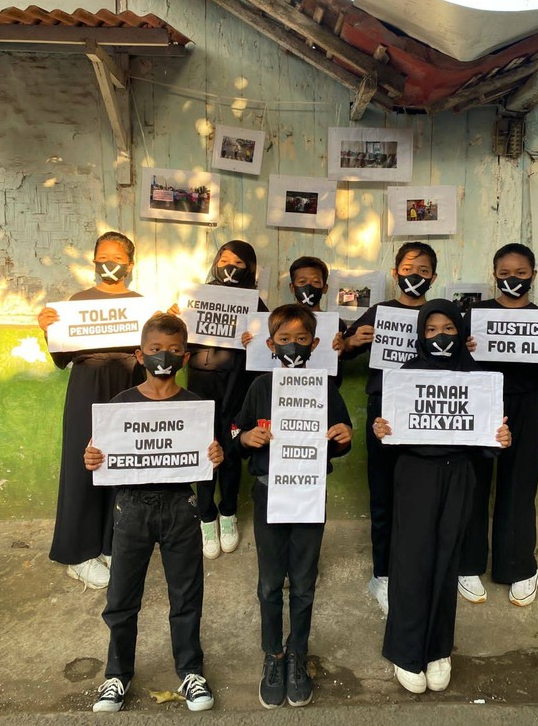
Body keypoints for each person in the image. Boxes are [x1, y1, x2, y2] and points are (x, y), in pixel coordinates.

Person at [84, 313, 223, 713]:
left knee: (186, 595)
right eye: (156, 349)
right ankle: (116, 674)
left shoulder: (195, 405)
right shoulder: (120, 405)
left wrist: (215, 455)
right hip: (131, 508)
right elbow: (100, 453)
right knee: (122, 597)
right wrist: (93, 457)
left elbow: (208, 455)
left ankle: (191, 671)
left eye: (175, 350)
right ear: (139, 354)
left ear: (186, 355)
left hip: (182, 506)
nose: (165, 356)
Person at [373, 299, 511, 694]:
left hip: (459, 475)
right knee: (412, 559)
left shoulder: (477, 377)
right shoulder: (405, 374)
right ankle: (405, 649)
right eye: (431, 330)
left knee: (446, 558)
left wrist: (500, 439)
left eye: (449, 329)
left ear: (460, 333)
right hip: (415, 474)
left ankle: (438, 650)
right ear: (420, 334)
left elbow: (486, 438)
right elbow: (386, 435)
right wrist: (381, 430)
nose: (440, 337)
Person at [235, 305, 352, 709]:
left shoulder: (326, 388)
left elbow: (344, 435)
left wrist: (342, 434)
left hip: (308, 494)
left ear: (315, 344)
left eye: (302, 340)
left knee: (303, 583)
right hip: (269, 492)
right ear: (270, 345)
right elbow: (236, 427)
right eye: (284, 340)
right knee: (270, 583)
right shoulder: (260, 388)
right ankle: (274, 654)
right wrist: (245, 437)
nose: (293, 347)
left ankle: (297, 652)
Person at [458, 243, 538, 607]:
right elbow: (454, 364)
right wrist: (466, 347)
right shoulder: (474, 316)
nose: (512, 280)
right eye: (505, 273)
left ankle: (518, 566)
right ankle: (468, 562)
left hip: (523, 403)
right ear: (494, 275)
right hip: (477, 403)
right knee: (473, 484)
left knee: (519, 486)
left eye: (521, 274)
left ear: (533, 276)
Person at [38, 231, 143, 590]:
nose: (108, 264)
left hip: (130, 386)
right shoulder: (77, 302)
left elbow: (155, 351)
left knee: (122, 465)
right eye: (102, 257)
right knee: (83, 465)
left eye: (116, 257)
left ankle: (112, 543)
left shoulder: (142, 304)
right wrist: (48, 330)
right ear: (94, 261)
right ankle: (79, 554)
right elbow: (62, 359)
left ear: (130, 264)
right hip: (87, 386)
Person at [342, 241, 438, 613]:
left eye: (424, 269)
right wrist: (352, 340)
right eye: (409, 266)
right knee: (382, 494)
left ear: (434, 277)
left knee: (418, 498)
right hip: (384, 412)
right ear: (396, 271)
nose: (416, 274)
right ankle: (382, 574)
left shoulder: (437, 314)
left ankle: (414, 570)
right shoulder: (380, 311)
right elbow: (342, 349)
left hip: (426, 414)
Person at [171, 240, 267, 560]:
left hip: (235, 392)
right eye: (224, 260)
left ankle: (228, 513)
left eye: (239, 264)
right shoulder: (196, 298)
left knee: (227, 452)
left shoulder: (256, 304)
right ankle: (206, 516)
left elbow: (269, 348)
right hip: (198, 389)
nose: (229, 267)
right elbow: (175, 342)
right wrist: (176, 319)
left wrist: (252, 342)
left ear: (250, 270)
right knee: (202, 452)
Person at [289, 255, 345, 386]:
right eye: (302, 282)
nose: (308, 287)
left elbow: (335, 363)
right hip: (285, 388)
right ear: (292, 287)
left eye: (315, 282)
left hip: (321, 389)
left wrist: (341, 350)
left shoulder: (336, 324)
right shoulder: (278, 320)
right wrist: (251, 343)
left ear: (324, 288)